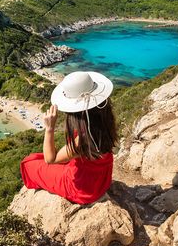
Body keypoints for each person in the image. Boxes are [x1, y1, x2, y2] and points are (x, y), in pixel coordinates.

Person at [20, 71, 118, 204]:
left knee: (29, 163)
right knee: (39, 157)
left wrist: (49, 128)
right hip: (101, 181)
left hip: (84, 189)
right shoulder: (105, 119)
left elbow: (51, 159)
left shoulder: (83, 140)